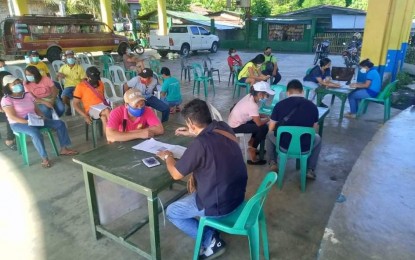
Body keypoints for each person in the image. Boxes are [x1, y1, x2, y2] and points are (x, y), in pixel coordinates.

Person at [156, 99, 247, 260]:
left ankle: (210, 241)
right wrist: (192, 132)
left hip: (220, 205)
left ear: (190, 122)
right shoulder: (223, 127)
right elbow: (209, 137)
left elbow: (176, 174)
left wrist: (168, 156)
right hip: (238, 197)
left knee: (173, 211)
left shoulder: (201, 144)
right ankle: (211, 231)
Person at [1, 75, 78, 168]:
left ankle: (64, 149)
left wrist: (41, 116)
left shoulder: (27, 95)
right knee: (35, 132)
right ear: (7, 87)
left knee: (60, 124)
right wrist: (28, 122)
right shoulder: (6, 99)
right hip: (18, 123)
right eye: (14, 84)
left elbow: (36, 109)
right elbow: (12, 116)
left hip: (34, 119)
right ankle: (44, 157)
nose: (18, 85)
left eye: (18, 82)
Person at [265, 79, 321, 180]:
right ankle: (310, 169)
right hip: (305, 146)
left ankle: (273, 163)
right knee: (318, 138)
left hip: (284, 145)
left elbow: (271, 128)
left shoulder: (279, 105)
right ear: (302, 92)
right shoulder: (313, 107)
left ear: (287, 92)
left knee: (269, 134)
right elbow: (314, 130)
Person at [228, 81, 274, 165]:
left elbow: (253, 114)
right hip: (236, 126)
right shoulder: (253, 105)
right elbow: (259, 124)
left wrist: (262, 115)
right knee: (264, 128)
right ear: (260, 94)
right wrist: (268, 118)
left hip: (234, 121)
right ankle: (252, 149)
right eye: (266, 95)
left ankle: (251, 142)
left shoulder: (249, 96)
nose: (267, 97)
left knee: (256, 124)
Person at [73, 66, 111, 136]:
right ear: (88, 77)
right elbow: (75, 104)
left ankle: (109, 136)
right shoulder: (80, 86)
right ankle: (114, 134)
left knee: (104, 117)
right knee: (107, 111)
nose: (96, 81)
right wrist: (85, 116)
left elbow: (102, 97)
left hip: (102, 107)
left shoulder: (101, 83)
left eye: (96, 79)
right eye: (93, 79)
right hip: (91, 110)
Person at [57, 50, 86, 116]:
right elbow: (57, 78)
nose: (70, 58)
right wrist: (59, 75)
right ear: (66, 58)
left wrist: (80, 87)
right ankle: (70, 106)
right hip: (68, 86)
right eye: (68, 57)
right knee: (64, 97)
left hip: (78, 86)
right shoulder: (63, 68)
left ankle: (79, 107)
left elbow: (84, 79)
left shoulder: (79, 67)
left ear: (74, 57)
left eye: (71, 56)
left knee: (82, 95)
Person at [0, 71, 16, 150]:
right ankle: (9, 140)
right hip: (2, 112)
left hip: (7, 108)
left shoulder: (10, 87)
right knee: (10, 116)